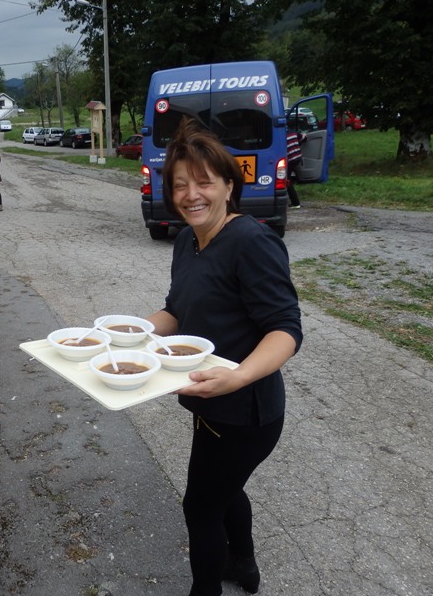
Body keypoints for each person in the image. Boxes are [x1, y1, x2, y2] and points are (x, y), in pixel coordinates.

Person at [144, 118, 302, 596]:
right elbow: (176, 310)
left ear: (229, 185)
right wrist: (124, 335)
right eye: (180, 185)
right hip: (208, 402)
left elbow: (285, 330)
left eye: (204, 182)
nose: (191, 194)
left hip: (245, 413)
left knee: (201, 506)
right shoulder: (190, 239)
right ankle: (245, 568)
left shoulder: (252, 242)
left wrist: (236, 379)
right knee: (224, 490)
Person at [286, 129, 304, 209]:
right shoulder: (293, 132)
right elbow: (304, 138)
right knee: (290, 178)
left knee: (287, 181)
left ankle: (295, 203)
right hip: (298, 158)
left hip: (290, 160)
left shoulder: (280, 135)